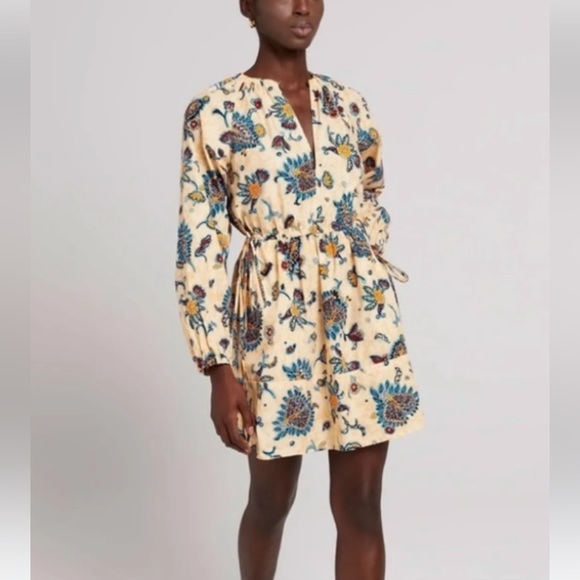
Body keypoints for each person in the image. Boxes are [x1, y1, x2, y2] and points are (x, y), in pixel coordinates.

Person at [174, 1, 425, 577]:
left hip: (361, 318)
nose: (303, 5)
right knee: (271, 500)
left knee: (362, 505)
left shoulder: (349, 103)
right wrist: (217, 366)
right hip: (273, 321)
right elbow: (199, 241)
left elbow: (370, 192)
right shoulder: (215, 110)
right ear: (248, 4)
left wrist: (358, 255)